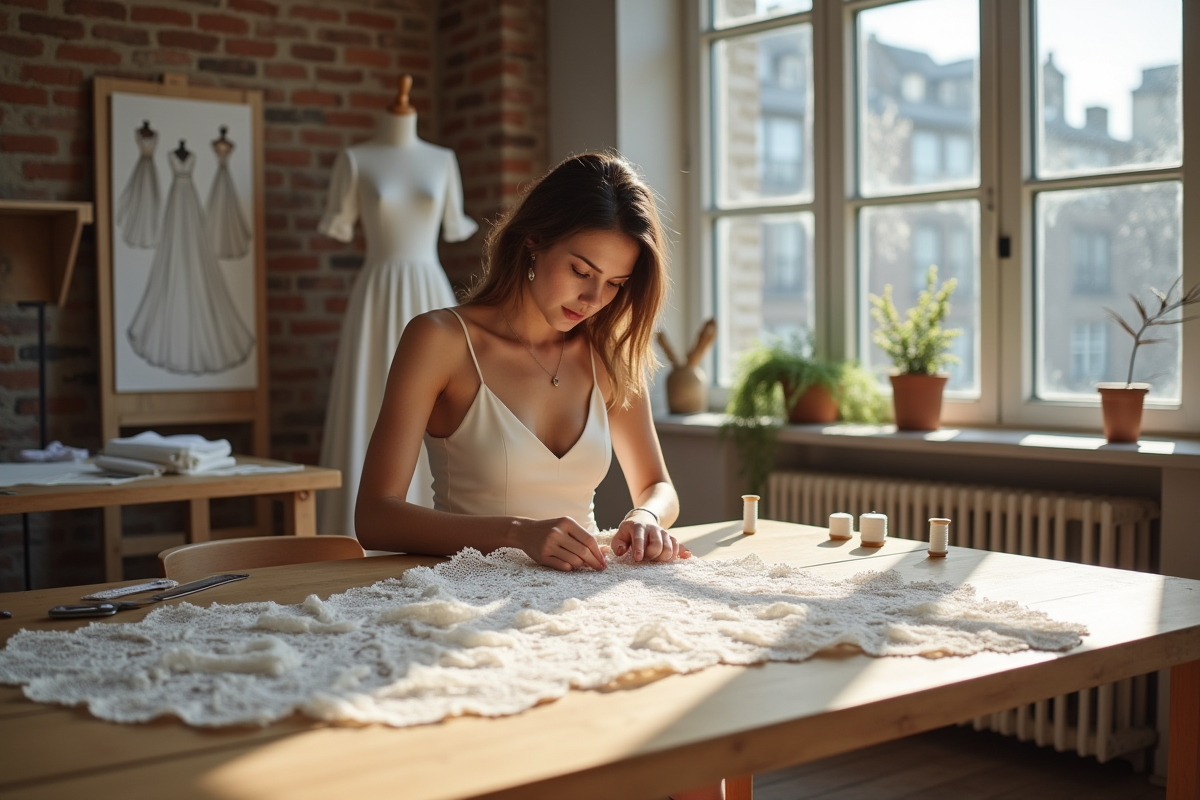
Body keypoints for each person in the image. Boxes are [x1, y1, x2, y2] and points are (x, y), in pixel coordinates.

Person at [357, 152, 723, 799]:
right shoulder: (440, 340)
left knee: (700, 727)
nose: (593, 298)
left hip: (583, 599)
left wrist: (642, 517)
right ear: (534, 242)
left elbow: (659, 489)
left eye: (614, 284)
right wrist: (518, 532)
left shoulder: (606, 354)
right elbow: (376, 514)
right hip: (469, 612)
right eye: (582, 271)